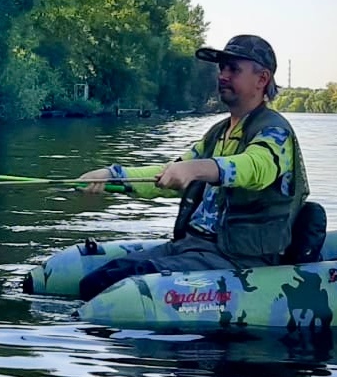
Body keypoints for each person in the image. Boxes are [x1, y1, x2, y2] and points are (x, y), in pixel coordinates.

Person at [75, 34, 316, 301]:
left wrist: (196, 169)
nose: (223, 75)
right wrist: (112, 175)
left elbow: (255, 169)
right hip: (192, 248)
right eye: (221, 68)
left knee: (117, 286)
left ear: (262, 79)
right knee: (100, 279)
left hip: (239, 259)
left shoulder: (274, 131)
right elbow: (168, 174)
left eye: (233, 69)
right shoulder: (217, 134)